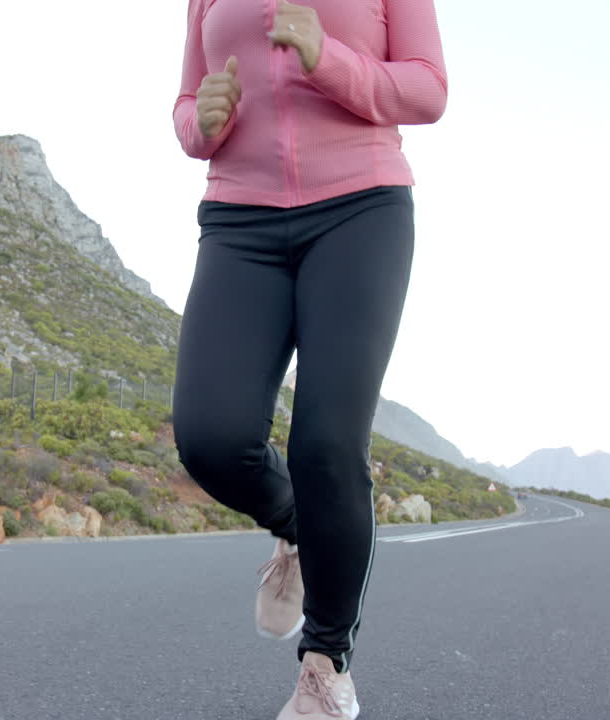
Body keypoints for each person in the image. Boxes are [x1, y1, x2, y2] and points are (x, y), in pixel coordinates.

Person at [171, 0, 446, 717]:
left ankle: (326, 666)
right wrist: (202, 121)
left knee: (326, 445)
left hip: (360, 210)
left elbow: (427, 88)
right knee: (210, 439)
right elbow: (185, 106)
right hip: (238, 221)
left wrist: (328, 58)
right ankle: (301, 524)